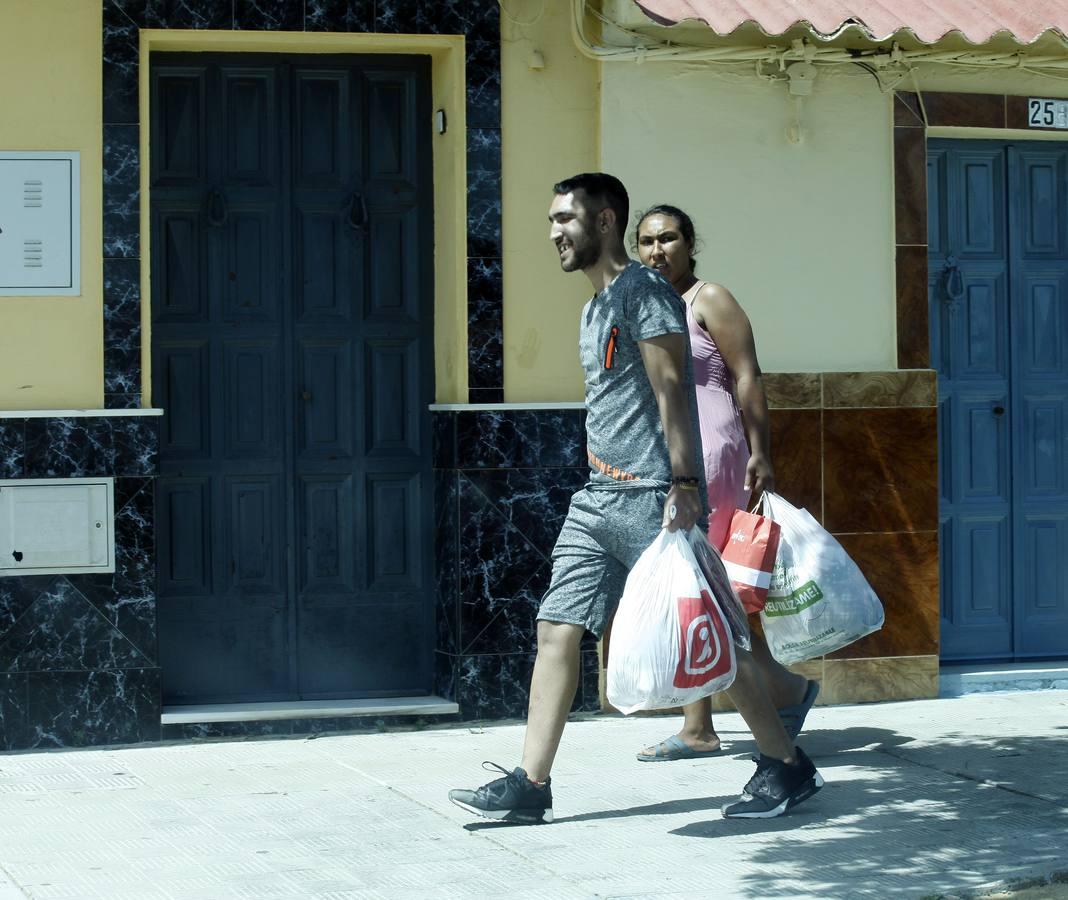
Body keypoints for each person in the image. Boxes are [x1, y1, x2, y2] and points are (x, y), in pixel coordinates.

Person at [447, 174, 823, 824]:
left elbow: (672, 386)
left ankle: (786, 766)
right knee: (555, 624)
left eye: (565, 218)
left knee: (714, 638)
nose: (553, 233)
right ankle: (531, 784)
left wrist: (682, 485)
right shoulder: (596, 307)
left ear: (603, 221)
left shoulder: (644, 293)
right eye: (550, 220)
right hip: (597, 499)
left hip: (658, 498)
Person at [633, 204, 820, 763]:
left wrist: (760, 451)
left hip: (713, 455)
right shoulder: (644, 304)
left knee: (705, 588)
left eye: (668, 238)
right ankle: (744, 706)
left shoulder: (708, 299)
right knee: (694, 589)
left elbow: (746, 375)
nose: (656, 250)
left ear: (691, 244)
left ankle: (710, 722)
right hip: (665, 458)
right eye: (645, 241)